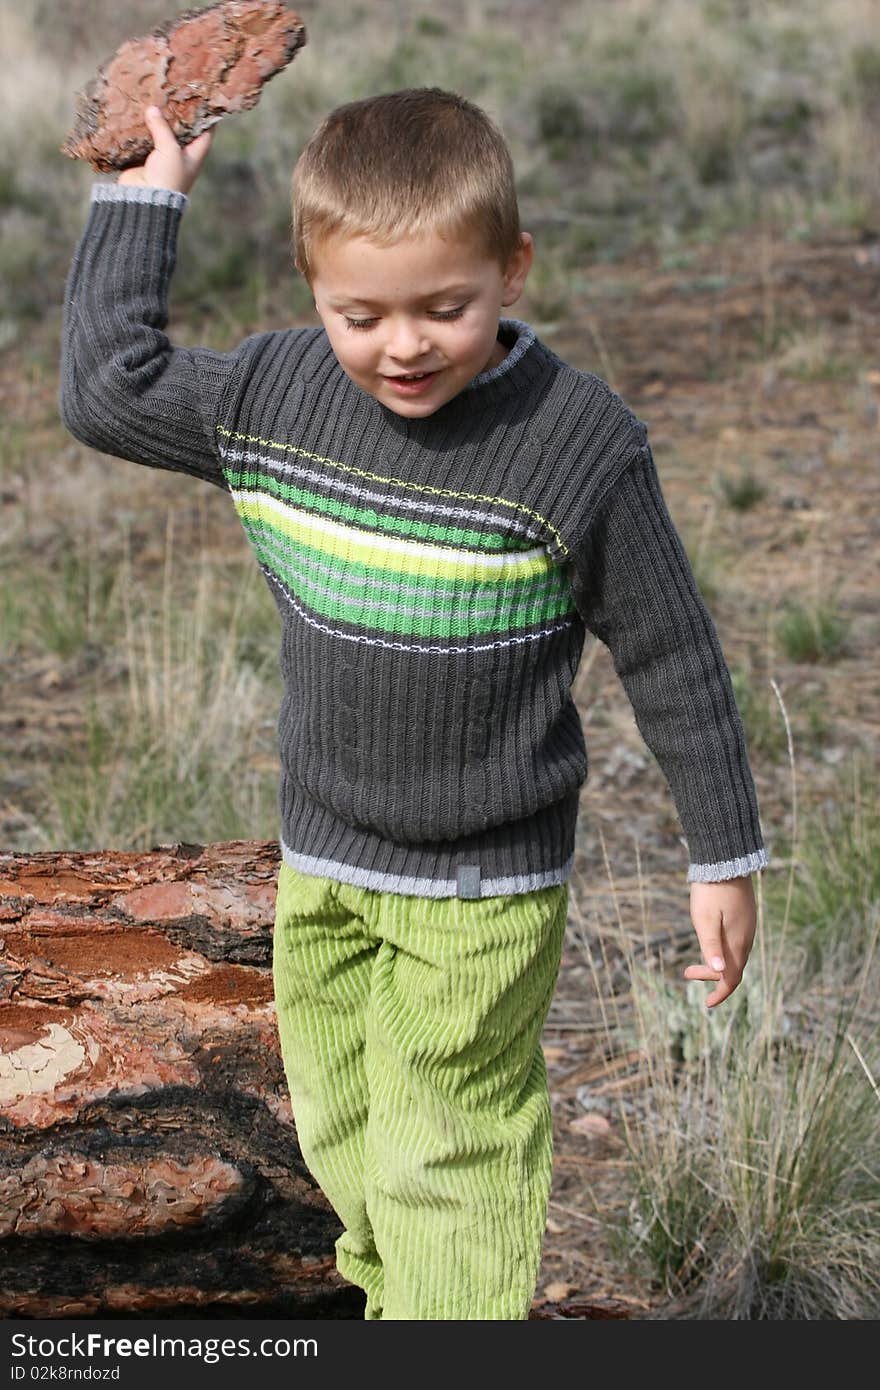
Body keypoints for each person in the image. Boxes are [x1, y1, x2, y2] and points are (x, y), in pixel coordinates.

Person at [59, 87, 769, 1320]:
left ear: (513, 267)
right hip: (324, 861)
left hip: (480, 888)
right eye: (361, 312)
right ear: (309, 284)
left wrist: (722, 851)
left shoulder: (574, 441)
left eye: (447, 307)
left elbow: (672, 655)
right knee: (349, 1136)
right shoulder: (277, 396)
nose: (405, 345)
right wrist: (144, 198)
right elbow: (107, 391)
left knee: (448, 1150)